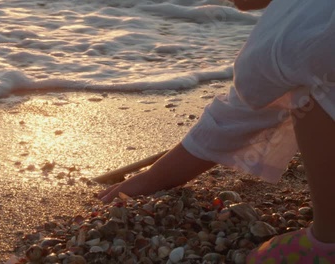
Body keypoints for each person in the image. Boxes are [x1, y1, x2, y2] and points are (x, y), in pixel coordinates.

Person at [98, 0, 335, 262]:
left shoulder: (300, 28)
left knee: (308, 95)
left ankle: (329, 239)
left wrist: (152, 179)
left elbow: (240, 114)